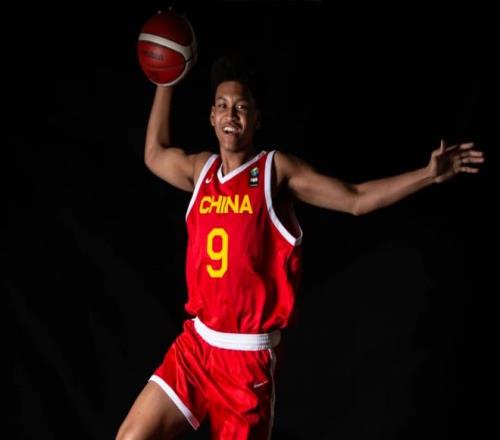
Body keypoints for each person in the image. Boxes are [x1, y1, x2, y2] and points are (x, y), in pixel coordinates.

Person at [116, 54, 484, 440]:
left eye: (241, 107)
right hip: (197, 346)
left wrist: (427, 175)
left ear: (257, 119)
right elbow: (154, 154)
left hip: (246, 361)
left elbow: (355, 198)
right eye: (222, 106)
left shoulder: (274, 172)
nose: (231, 115)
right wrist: (167, 79)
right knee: (131, 436)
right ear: (211, 117)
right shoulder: (200, 171)